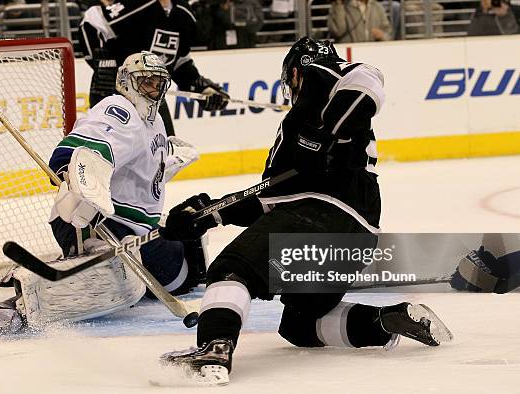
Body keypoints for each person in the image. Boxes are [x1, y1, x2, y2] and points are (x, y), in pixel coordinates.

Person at [157, 37, 451, 385]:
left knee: (233, 269)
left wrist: (324, 136)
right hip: (355, 237)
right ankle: (387, 320)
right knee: (300, 324)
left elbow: (366, 85)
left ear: (294, 73)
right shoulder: (295, 130)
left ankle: (213, 350)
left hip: (318, 216)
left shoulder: (328, 79)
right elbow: (271, 198)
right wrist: (211, 213)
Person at [0, 52, 205, 333]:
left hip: (137, 229)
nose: (155, 90)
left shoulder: (154, 120)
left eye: (159, 83)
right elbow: (87, 144)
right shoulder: (118, 109)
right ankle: (17, 304)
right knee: (117, 277)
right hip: (94, 220)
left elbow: (139, 161)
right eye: (147, 83)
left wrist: (169, 160)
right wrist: (75, 179)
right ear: (126, 82)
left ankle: (101, 270)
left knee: (184, 270)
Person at [78, 0, 230, 136]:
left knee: (165, 158)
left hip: (154, 101)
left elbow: (178, 61)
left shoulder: (184, 13)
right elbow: (92, 20)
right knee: (110, 157)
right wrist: (104, 64)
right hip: (118, 100)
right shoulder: (135, 5)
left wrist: (199, 87)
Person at [327, 0, 391, 42]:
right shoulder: (339, 6)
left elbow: (388, 33)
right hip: (350, 55)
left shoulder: (376, 6)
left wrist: (382, 35)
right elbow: (337, 31)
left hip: (373, 53)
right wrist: (339, 5)